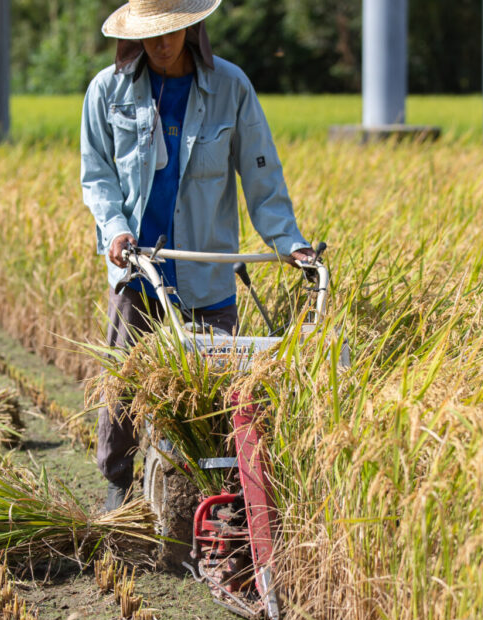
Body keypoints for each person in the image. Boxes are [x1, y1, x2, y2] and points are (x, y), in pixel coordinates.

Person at [81, 0, 315, 511]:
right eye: (151, 34)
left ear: (192, 27)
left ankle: (219, 497)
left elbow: (262, 176)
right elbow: (97, 175)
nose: (161, 44)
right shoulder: (107, 91)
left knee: (220, 393)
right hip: (138, 267)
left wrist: (288, 242)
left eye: (172, 31)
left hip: (206, 269)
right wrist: (116, 231)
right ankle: (117, 485)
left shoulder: (231, 87)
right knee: (124, 383)